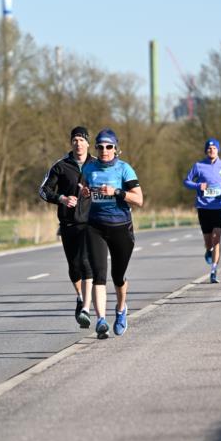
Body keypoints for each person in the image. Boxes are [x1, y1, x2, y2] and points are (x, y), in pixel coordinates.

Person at [80, 128, 143, 339]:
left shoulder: (124, 169)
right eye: (100, 147)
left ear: (116, 149)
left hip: (121, 227)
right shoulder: (89, 168)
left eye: (109, 146)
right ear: (96, 149)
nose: (104, 150)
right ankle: (100, 320)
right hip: (95, 226)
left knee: (117, 276)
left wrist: (116, 192)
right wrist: (84, 193)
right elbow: (84, 191)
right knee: (99, 273)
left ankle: (121, 308)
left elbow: (139, 200)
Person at [38, 126, 93, 328]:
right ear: (71, 143)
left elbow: (109, 190)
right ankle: (80, 297)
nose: (78, 144)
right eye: (75, 140)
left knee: (86, 263)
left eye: (82, 140)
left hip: (91, 223)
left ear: (88, 143)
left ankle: (86, 308)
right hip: (68, 223)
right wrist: (61, 198)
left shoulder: (97, 165)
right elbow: (43, 190)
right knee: (74, 266)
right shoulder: (60, 166)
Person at [184, 138, 221, 283]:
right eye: (209, 148)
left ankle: (214, 271)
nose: (211, 150)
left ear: (218, 150)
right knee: (209, 241)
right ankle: (208, 250)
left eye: (214, 148)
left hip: (219, 206)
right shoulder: (199, 165)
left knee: (216, 238)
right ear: (206, 150)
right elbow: (186, 181)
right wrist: (197, 186)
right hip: (203, 207)